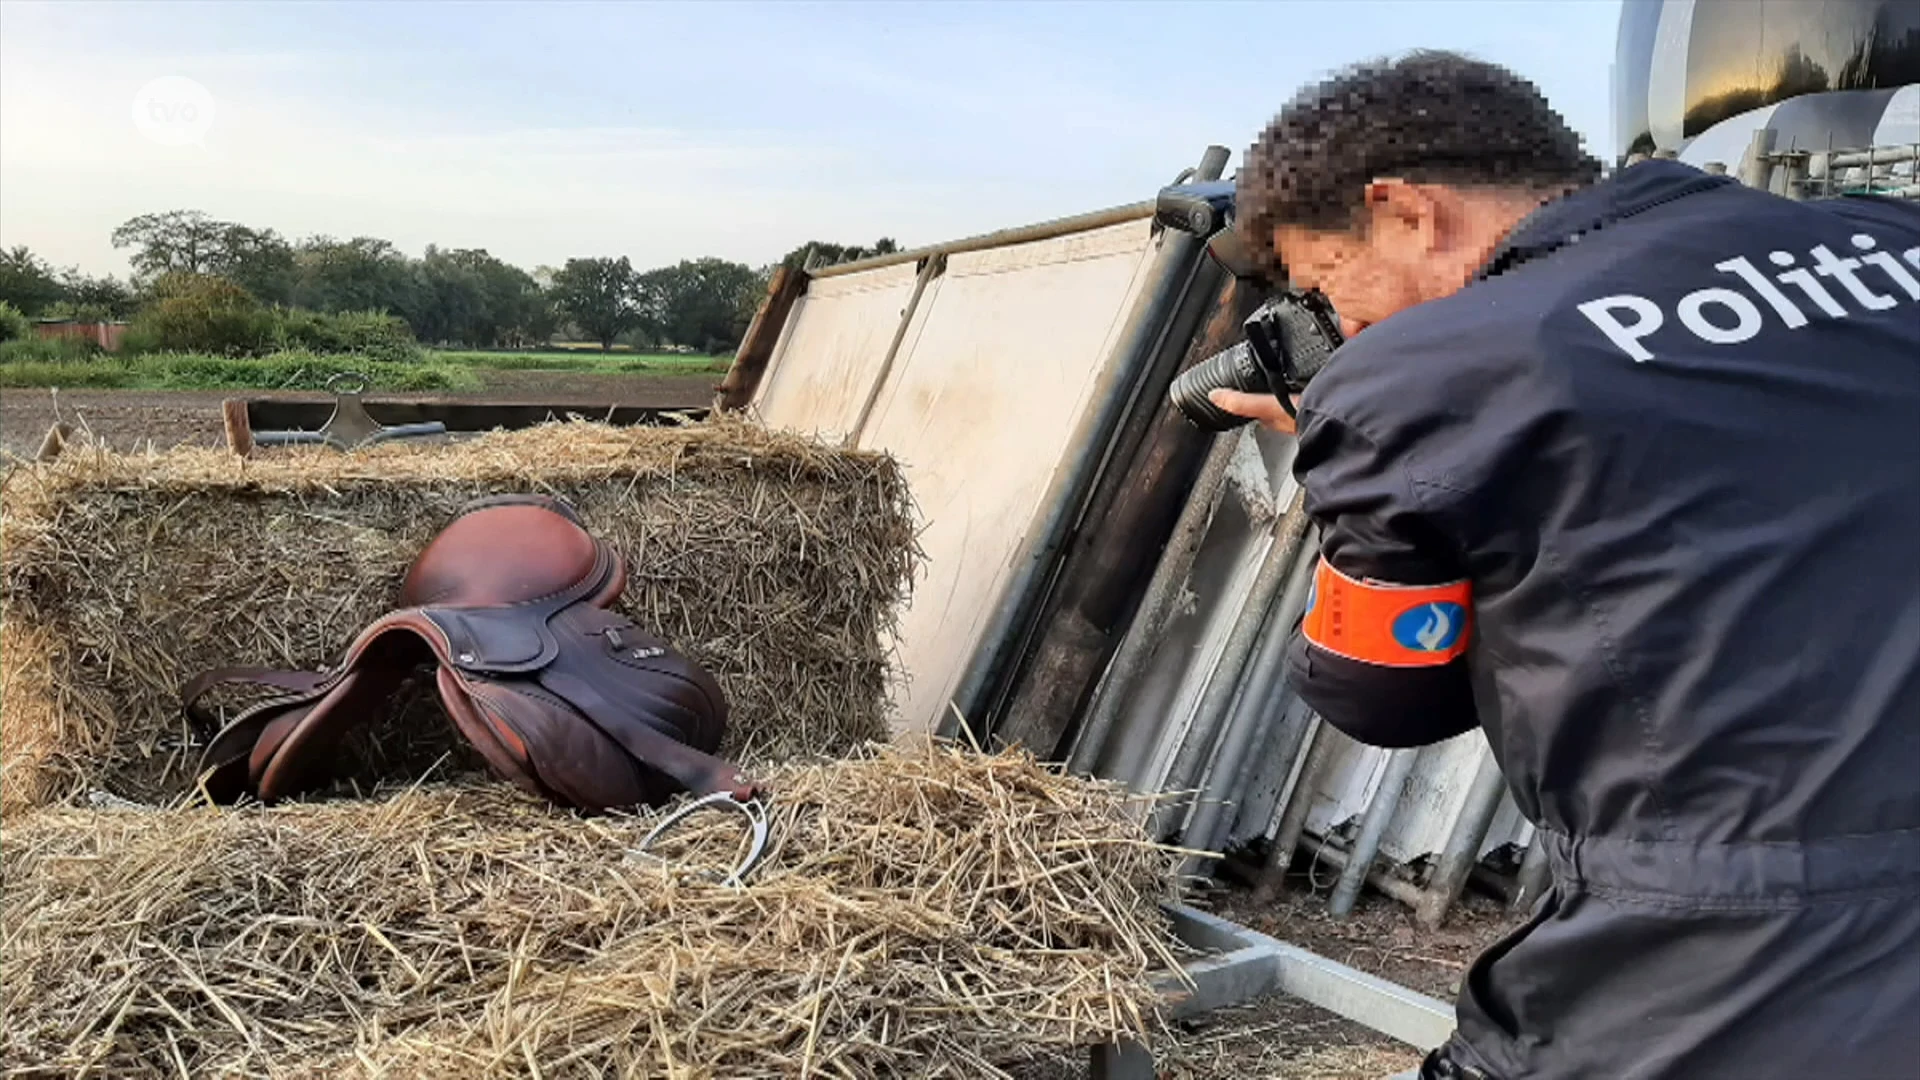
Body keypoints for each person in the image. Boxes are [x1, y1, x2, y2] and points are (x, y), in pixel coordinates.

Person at [1209, 50, 1920, 1080]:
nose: (1344, 327)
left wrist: (1349, 450)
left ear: (1404, 210)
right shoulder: (1886, 239)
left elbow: (1385, 701)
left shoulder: (1413, 381)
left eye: (1330, 283)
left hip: (1730, 967)